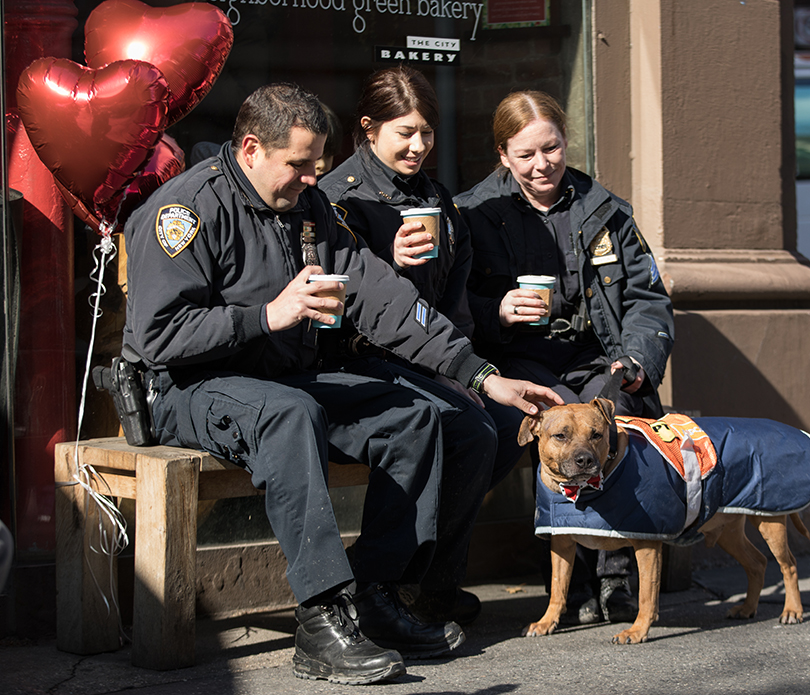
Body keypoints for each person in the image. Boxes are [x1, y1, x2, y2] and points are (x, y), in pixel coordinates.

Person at [122, 82, 561, 686]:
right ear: (251, 149)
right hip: (189, 386)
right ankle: (322, 618)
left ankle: (377, 592)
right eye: (299, 165)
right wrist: (267, 315)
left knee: (415, 416)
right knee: (290, 414)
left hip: (282, 374)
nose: (312, 179)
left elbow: (383, 300)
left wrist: (484, 377)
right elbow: (158, 338)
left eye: (318, 166)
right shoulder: (185, 212)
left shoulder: (309, 209)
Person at [454, 90, 675, 626]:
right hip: (515, 362)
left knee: (622, 411)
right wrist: (496, 311)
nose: (541, 164)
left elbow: (648, 299)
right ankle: (572, 582)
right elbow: (449, 304)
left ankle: (618, 577)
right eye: (525, 154)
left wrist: (636, 359)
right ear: (502, 155)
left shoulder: (604, 210)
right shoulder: (474, 214)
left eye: (550, 148)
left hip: (598, 357)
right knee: (554, 421)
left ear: (565, 142)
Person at [319, 67, 526, 626]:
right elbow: (330, 306)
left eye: (428, 133)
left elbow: (454, 305)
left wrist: (465, 371)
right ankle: (392, 587)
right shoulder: (336, 202)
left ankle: (428, 583)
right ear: (368, 128)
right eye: (404, 132)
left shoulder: (438, 200)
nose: (418, 146)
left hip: (432, 361)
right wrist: (387, 263)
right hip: (355, 363)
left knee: (507, 428)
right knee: (467, 430)